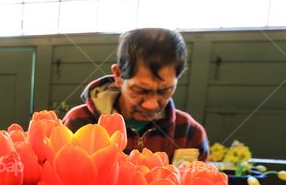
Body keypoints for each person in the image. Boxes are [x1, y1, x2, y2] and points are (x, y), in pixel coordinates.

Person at [63, 28, 209, 161]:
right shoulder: (79, 122)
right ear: (118, 75)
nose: (151, 104)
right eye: (140, 90)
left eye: (165, 90)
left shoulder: (189, 133)